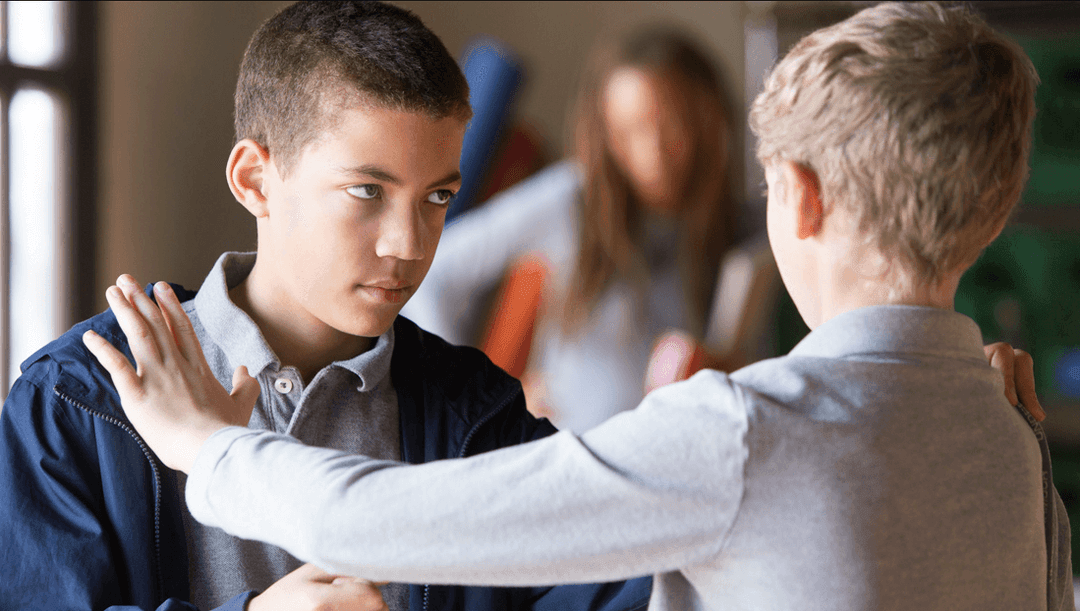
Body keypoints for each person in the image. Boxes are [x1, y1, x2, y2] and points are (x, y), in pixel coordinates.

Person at [85, 2, 1071, 610]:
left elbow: (368, 516)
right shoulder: (1013, 441)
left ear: (801, 197)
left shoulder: (740, 430)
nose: (409, 243)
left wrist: (207, 446)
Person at [0, 2, 650, 611]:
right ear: (255, 179)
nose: (409, 244)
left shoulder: (479, 420)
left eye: (437, 197)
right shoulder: (77, 403)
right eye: (367, 189)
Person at [401, 28, 740, 433]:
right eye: (630, 131)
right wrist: (476, 397)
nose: (652, 153)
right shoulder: (571, 200)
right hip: (571, 458)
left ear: (707, 120)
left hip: (671, 462)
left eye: (671, 127)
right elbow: (435, 272)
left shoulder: (737, 224)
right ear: (606, 133)